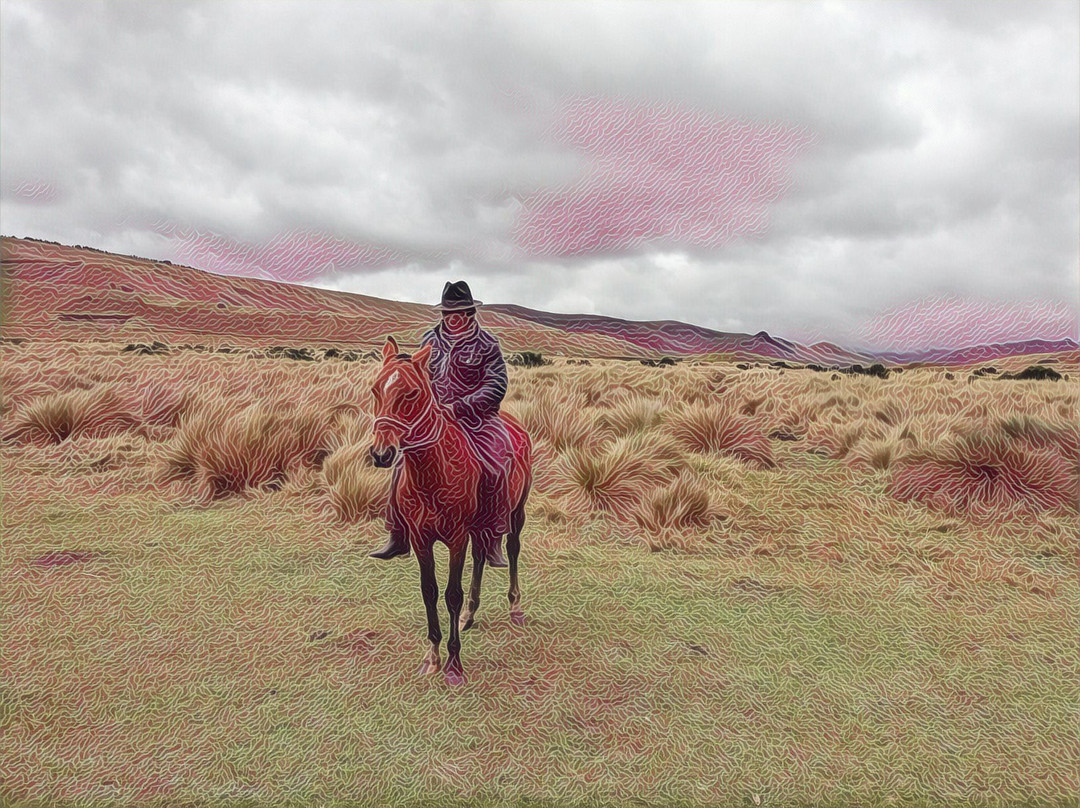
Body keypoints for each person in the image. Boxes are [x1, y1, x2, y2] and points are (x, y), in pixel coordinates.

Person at [370, 280, 513, 568]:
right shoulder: (429, 340)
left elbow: (497, 384)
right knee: (402, 462)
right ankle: (398, 533)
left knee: (498, 461)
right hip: (434, 420)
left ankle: (493, 536)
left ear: (471, 313)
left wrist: (461, 406)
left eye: (459, 312)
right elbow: (417, 379)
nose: (452, 318)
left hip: (476, 418)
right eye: (448, 312)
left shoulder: (487, 344)